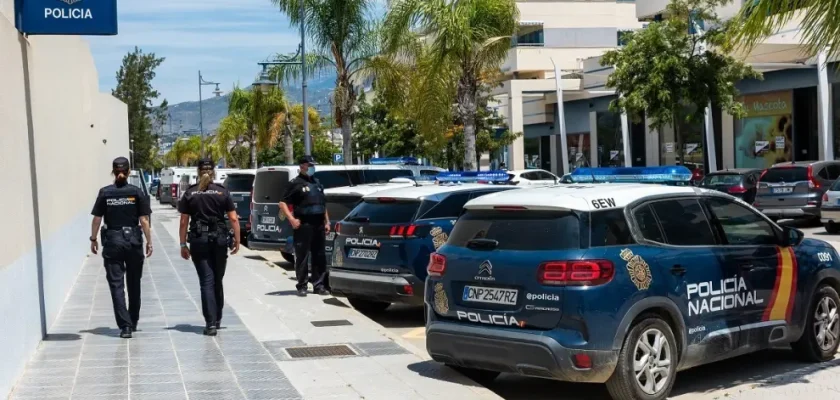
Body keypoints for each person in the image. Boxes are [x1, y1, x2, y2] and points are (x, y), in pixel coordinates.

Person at [90, 157, 152, 339]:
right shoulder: (136, 192)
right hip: (133, 241)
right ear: (129, 171)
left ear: (113, 171)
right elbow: (144, 220)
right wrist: (149, 241)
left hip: (113, 241)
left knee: (116, 285)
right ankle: (132, 321)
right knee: (134, 283)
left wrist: (93, 239)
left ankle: (125, 326)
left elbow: (96, 219)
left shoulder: (105, 193)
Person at [178, 159, 241, 336]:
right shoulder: (222, 192)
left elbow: (184, 222)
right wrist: (237, 240)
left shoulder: (191, 193)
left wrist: (183, 244)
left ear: (198, 172)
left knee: (206, 280)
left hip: (199, 240)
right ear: (213, 172)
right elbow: (234, 219)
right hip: (220, 240)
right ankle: (218, 318)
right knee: (217, 280)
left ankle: (210, 323)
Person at [279, 155, 330, 297]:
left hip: (318, 223)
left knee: (319, 255)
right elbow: (282, 203)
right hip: (304, 223)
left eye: (313, 165)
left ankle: (318, 285)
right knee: (302, 255)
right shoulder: (295, 183)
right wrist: (292, 219)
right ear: (302, 166)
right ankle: (302, 285)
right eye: (310, 165)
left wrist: (327, 221)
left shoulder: (317, 183)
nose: (312, 167)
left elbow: (323, 204)